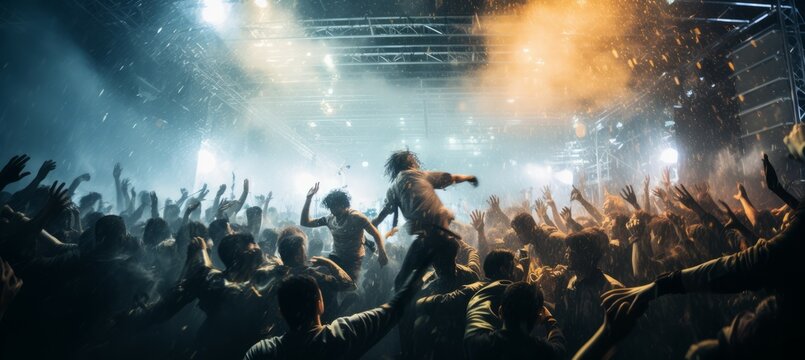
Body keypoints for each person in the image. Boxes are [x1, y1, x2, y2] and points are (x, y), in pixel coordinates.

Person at [242, 237, 434, 360]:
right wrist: (328, 263)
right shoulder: (340, 336)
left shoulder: (263, 351)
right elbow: (350, 286)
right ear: (319, 304)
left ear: (281, 311)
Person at [371, 150, 478, 288]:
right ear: (410, 162)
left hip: (424, 239)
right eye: (413, 160)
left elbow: (380, 217)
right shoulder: (418, 175)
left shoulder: (393, 188)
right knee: (448, 275)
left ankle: (406, 298)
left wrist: (374, 228)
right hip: (441, 237)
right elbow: (451, 178)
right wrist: (468, 177)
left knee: (402, 280)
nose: (416, 162)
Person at [301, 183, 387, 282]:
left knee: (349, 285)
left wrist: (382, 252)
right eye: (331, 207)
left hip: (354, 260)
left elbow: (375, 234)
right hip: (336, 257)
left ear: (343, 204)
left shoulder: (356, 217)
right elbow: (305, 222)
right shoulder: (329, 219)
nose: (333, 211)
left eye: (335, 207)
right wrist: (308, 199)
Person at [464, 281, 566, 360]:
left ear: (500, 312)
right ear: (537, 319)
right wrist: (550, 320)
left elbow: (477, 305)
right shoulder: (542, 351)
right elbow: (559, 347)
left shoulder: (479, 345)